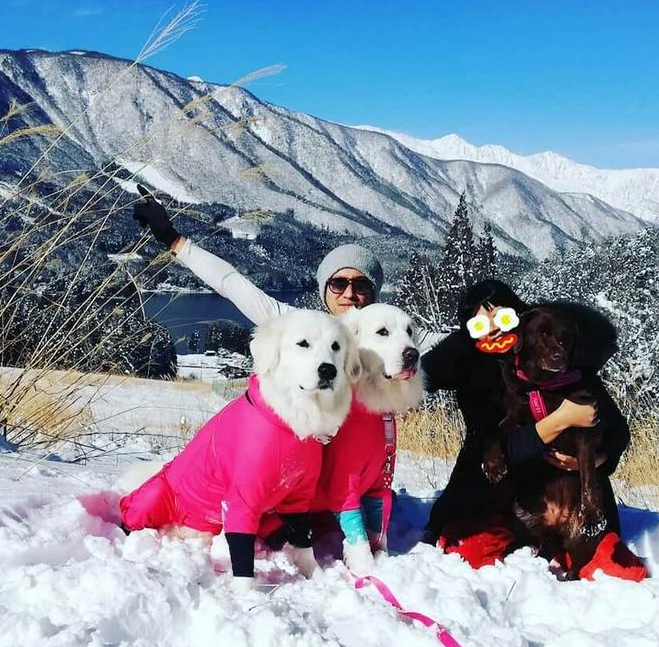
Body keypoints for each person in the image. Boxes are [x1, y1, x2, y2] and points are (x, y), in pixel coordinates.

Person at [420, 280, 633, 576]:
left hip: (565, 495)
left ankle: (573, 548)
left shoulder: (561, 361)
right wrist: (559, 421)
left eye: (503, 318)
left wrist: (600, 457)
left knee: (613, 567)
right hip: (496, 492)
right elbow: (497, 450)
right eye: (480, 326)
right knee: (467, 551)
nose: (494, 330)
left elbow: (617, 430)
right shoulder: (470, 367)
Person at [132, 186, 446, 351]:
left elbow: (459, 342)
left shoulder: (396, 339)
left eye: (361, 285)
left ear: (373, 293)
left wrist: (490, 321)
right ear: (325, 290)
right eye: (339, 283)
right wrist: (174, 241)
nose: (350, 293)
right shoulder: (299, 326)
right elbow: (232, 284)